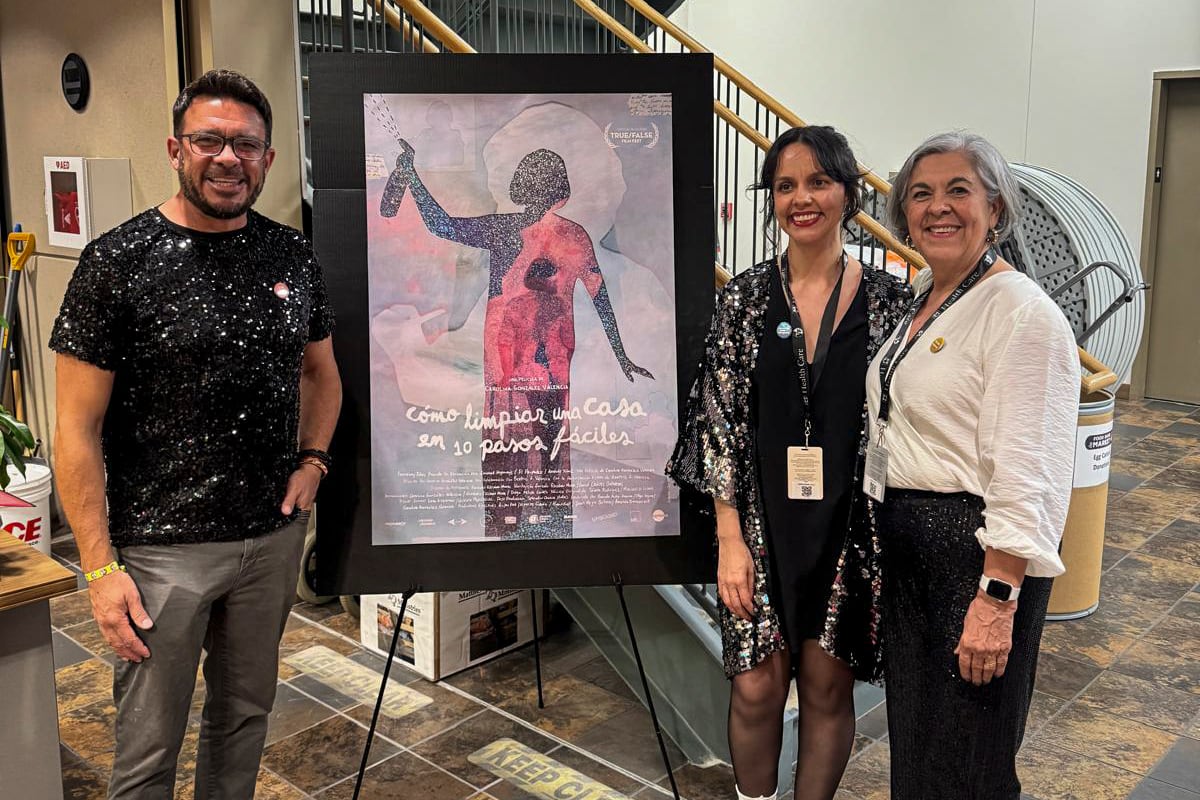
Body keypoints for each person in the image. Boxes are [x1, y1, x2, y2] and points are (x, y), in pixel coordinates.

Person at [51, 69, 342, 799]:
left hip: (270, 541)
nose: (228, 158)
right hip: (159, 556)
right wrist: (98, 569)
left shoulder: (290, 255)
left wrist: (313, 459)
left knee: (244, 720)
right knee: (148, 751)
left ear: (268, 159)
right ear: (176, 148)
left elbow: (321, 374)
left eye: (246, 144)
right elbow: (75, 430)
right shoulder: (116, 263)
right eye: (210, 140)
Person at [669, 126, 911, 800]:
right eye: (784, 186)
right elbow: (715, 418)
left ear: (846, 193)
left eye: (817, 182)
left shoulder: (891, 300)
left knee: (829, 688)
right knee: (755, 687)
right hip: (760, 524)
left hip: (848, 526)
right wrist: (727, 540)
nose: (801, 198)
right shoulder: (743, 300)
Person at [868, 131, 1078, 799]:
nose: (938, 208)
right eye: (921, 194)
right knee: (922, 744)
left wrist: (996, 598)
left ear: (995, 207)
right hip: (913, 547)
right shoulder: (927, 296)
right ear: (904, 214)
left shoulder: (1022, 314)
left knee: (971, 758)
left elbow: (1030, 466)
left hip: (976, 553)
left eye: (959, 190)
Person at [381, 133, 653, 538]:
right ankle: (543, 527)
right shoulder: (571, 236)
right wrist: (621, 354)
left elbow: (442, 225)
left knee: (514, 442)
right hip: (539, 361)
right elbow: (600, 296)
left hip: (519, 362)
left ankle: (514, 527)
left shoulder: (512, 230)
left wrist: (411, 176)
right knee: (544, 444)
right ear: (560, 192)